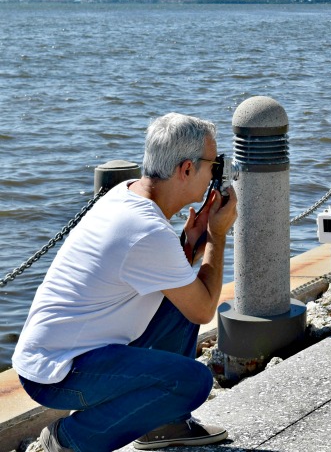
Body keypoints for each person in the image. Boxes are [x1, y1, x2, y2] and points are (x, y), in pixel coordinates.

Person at [13, 113, 238, 451]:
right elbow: (206, 309)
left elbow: (157, 276)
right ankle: (67, 442)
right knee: (192, 381)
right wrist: (216, 235)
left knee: (182, 304)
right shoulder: (145, 228)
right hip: (56, 374)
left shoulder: (126, 193)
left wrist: (190, 245)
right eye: (214, 165)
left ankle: (163, 423)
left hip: (62, 352)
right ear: (187, 169)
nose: (215, 175)